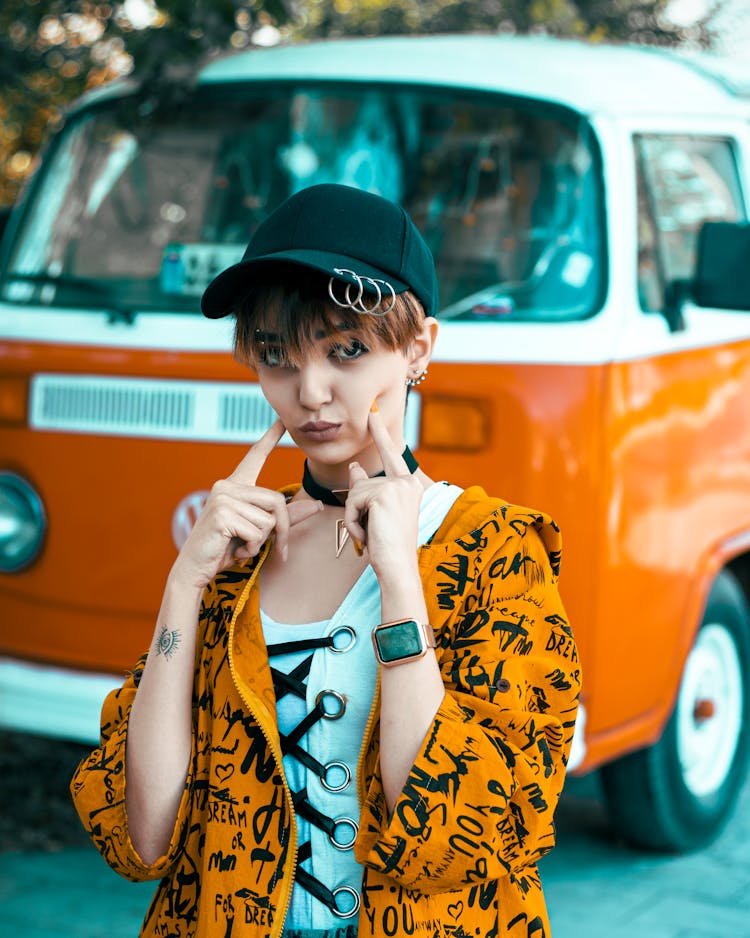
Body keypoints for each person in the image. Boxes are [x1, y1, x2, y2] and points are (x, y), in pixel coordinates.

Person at [71, 183, 581, 938]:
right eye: (277, 355)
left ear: (418, 350)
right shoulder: (240, 553)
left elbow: (447, 838)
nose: (309, 392)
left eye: (346, 350)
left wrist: (401, 579)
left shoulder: (495, 552)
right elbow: (144, 838)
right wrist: (184, 587)